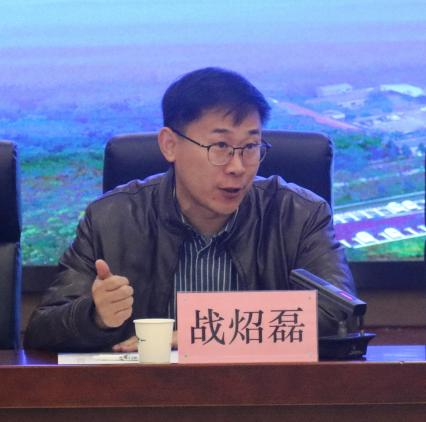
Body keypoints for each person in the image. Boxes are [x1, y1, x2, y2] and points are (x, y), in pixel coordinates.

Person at [24, 67, 355, 352]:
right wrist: (94, 316)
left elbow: (341, 313)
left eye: (250, 146)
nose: (238, 167)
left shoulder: (298, 214)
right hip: (148, 395)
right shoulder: (111, 219)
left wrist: (200, 336)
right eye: (220, 146)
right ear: (170, 145)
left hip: (261, 394)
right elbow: (42, 331)